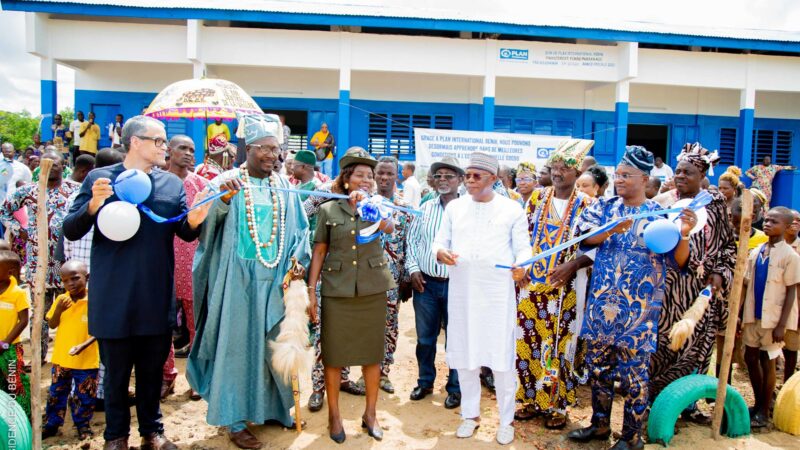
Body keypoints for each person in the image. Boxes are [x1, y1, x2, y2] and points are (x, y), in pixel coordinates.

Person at [64, 115, 215, 450]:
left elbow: (184, 233)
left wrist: (195, 220)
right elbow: (71, 228)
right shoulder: (100, 179)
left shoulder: (171, 185)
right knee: (115, 375)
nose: (165, 147)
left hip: (155, 295)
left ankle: (152, 432)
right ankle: (115, 436)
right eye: (158, 141)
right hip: (112, 296)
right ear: (135, 142)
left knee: (151, 373)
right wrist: (93, 205)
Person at [187, 113, 310, 449]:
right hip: (235, 280)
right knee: (236, 348)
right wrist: (223, 200)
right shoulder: (225, 181)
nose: (274, 155)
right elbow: (202, 227)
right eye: (266, 149)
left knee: (272, 345)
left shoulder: (283, 184)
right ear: (249, 148)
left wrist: (298, 261)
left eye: (277, 149)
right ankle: (235, 417)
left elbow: (300, 229)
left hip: (273, 279)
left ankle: (271, 408)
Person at [568, 146, 692, 450]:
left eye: (626, 175)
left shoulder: (661, 215)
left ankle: (631, 437)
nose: (619, 179)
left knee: (634, 379)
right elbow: (583, 240)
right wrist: (610, 230)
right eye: (617, 174)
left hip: (639, 312)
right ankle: (598, 426)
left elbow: (680, 262)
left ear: (644, 179)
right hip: (602, 305)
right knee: (598, 370)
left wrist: (685, 233)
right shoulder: (604, 207)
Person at [433, 152, 530, 445]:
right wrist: (440, 252)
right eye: (467, 175)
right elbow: (440, 241)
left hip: (497, 295)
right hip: (463, 293)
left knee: (501, 361)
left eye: (476, 176)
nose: (469, 181)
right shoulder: (455, 209)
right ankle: (470, 415)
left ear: (493, 179)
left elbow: (524, 249)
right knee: (465, 357)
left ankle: (506, 420)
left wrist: (522, 266)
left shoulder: (512, 210)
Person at [306, 146, 395, 444]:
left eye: (370, 176)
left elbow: (389, 227)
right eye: (360, 175)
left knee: (372, 356)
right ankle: (334, 415)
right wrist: (311, 292)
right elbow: (319, 250)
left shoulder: (379, 205)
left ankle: (371, 414)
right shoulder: (330, 209)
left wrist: (370, 205)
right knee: (333, 356)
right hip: (337, 290)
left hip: (372, 289)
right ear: (346, 180)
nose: (367, 180)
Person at [648, 143, 736, 420]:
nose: (681, 176)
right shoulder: (665, 203)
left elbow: (727, 246)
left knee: (696, 347)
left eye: (687, 172)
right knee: (663, 343)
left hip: (699, 291)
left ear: (702, 176)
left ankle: (688, 405)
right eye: (678, 172)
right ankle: (658, 403)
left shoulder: (715, 204)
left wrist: (721, 272)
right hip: (667, 287)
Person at [514, 140, 594, 428]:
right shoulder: (536, 198)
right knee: (527, 342)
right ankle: (530, 400)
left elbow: (595, 247)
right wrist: (522, 266)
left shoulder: (587, 204)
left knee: (559, 346)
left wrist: (573, 265)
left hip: (566, 291)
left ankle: (557, 406)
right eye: (555, 168)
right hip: (531, 286)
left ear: (576, 173)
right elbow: (521, 235)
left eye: (564, 168)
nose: (558, 173)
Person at [0, 151, 80, 363]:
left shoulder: (75, 189)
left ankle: (66, 355)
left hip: (66, 261)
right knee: (40, 312)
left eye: (56, 163)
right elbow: (4, 210)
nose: (52, 166)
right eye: (47, 163)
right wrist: (20, 229)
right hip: (38, 260)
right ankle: (38, 356)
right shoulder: (28, 191)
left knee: (69, 308)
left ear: (64, 166)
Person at [406, 156, 463, 409]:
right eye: (438, 176)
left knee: (457, 339)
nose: (443, 180)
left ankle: (455, 388)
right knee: (425, 339)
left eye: (449, 176)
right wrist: (414, 269)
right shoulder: (425, 208)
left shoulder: (469, 210)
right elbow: (413, 241)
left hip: (459, 285)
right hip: (426, 285)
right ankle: (425, 381)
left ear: (460, 180)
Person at [742, 207, 800, 427]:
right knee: (750, 358)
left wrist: (781, 325)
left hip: (773, 320)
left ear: (786, 226)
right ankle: (757, 403)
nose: (767, 224)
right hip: (753, 317)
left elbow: (792, 292)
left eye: (774, 221)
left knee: (768, 361)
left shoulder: (790, 256)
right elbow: (747, 285)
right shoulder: (758, 252)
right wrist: (740, 315)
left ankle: (764, 411)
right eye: (766, 220)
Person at [164, 136, 207, 402]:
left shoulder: (201, 185)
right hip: (161, 264)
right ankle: (166, 375)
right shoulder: (155, 183)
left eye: (193, 149)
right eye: (183, 148)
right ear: (168, 150)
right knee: (162, 326)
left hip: (194, 264)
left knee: (195, 325)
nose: (189, 154)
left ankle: (195, 379)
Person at [369, 156, 413, 394]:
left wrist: (406, 279)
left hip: (392, 281)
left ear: (397, 176)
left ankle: (383, 373)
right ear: (374, 175)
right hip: (362, 278)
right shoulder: (364, 203)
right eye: (380, 173)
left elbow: (409, 245)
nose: (384, 178)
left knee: (389, 326)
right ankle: (354, 374)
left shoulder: (403, 209)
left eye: (389, 174)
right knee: (358, 325)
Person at [42, 260, 99, 441]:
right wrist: (58, 309)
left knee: (85, 396)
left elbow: (100, 330)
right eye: (65, 281)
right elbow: (52, 323)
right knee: (56, 393)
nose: (70, 284)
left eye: (75, 278)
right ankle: (52, 424)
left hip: (86, 360)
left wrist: (83, 346)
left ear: (86, 277)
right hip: (61, 359)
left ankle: (83, 425)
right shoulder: (61, 299)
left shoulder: (94, 301)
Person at [0, 250, 31, 418]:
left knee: (16, 385)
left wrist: (5, 342)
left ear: (9, 272)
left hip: (9, 349)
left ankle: (23, 419)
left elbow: (23, 321)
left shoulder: (18, 293)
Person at [783, 209, 800, 383]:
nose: (795, 223)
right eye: (792, 219)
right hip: (773, 306)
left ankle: (787, 384)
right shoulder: (770, 246)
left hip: (795, 307)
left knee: (791, 348)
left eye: (798, 220)